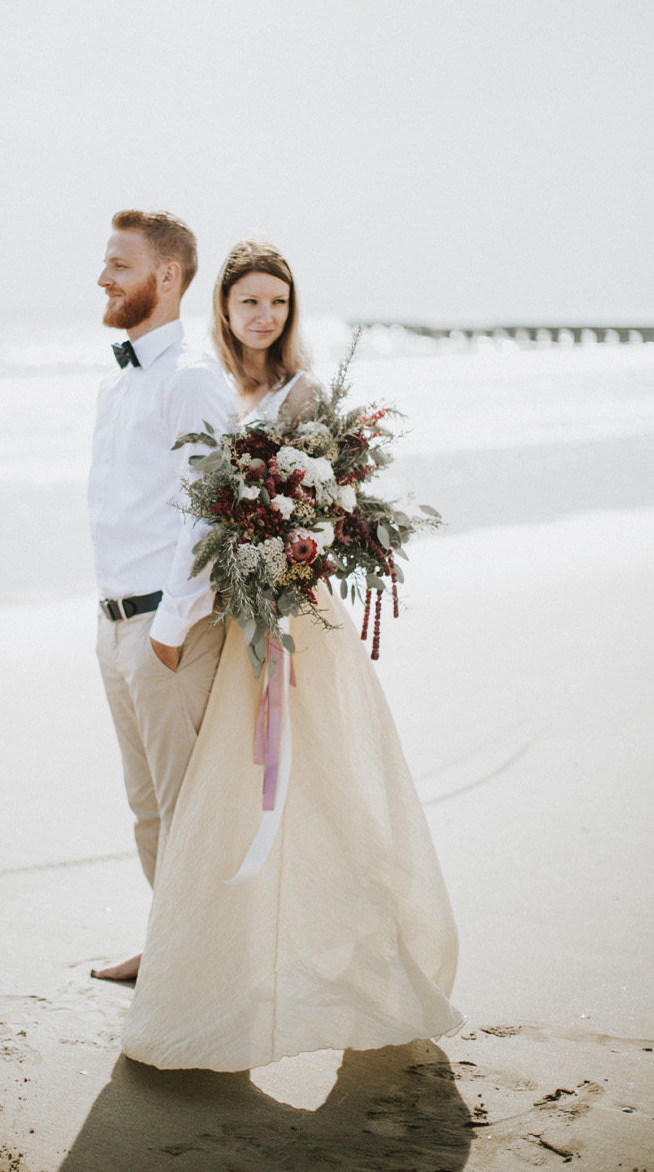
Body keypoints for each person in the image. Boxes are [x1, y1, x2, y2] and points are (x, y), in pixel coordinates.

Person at [121, 239, 462, 1069]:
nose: (263, 315)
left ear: (289, 309)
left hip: (290, 617)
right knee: (219, 795)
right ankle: (198, 955)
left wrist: (285, 547)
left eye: (276, 301)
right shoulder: (207, 385)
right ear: (225, 310)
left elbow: (327, 510)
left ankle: (356, 959)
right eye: (249, 303)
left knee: (322, 787)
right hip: (228, 617)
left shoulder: (302, 391)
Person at [88, 210, 233, 982]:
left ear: (166, 276)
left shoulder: (190, 382)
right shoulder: (118, 386)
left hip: (164, 630)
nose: (103, 277)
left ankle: (198, 973)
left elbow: (209, 515)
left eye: (119, 264)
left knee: (184, 809)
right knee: (146, 807)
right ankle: (171, 946)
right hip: (115, 626)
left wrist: (169, 628)